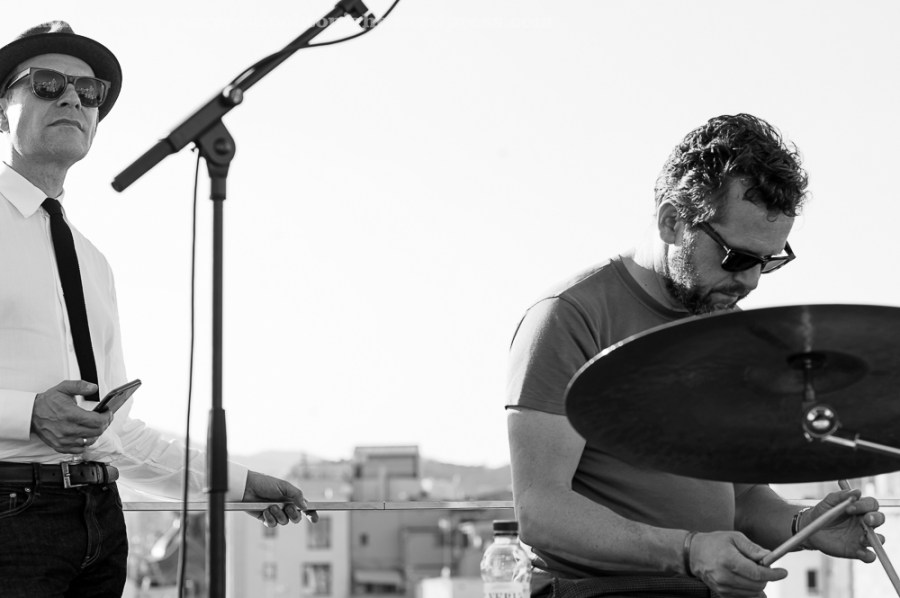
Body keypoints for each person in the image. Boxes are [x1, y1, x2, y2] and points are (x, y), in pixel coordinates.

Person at [506, 113, 885, 598]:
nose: (751, 282)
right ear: (672, 222)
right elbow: (541, 511)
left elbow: (743, 498)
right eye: (737, 258)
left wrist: (804, 525)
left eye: (769, 262)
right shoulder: (570, 316)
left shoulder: (730, 328)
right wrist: (688, 551)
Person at [0, 21, 317, 597]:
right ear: (2, 110)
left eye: (88, 91)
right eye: (46, 83)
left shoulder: (92, 261)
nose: (72, 98)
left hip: (100, 523)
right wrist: (26, 414)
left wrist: (238, 485)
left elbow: (119, 435)